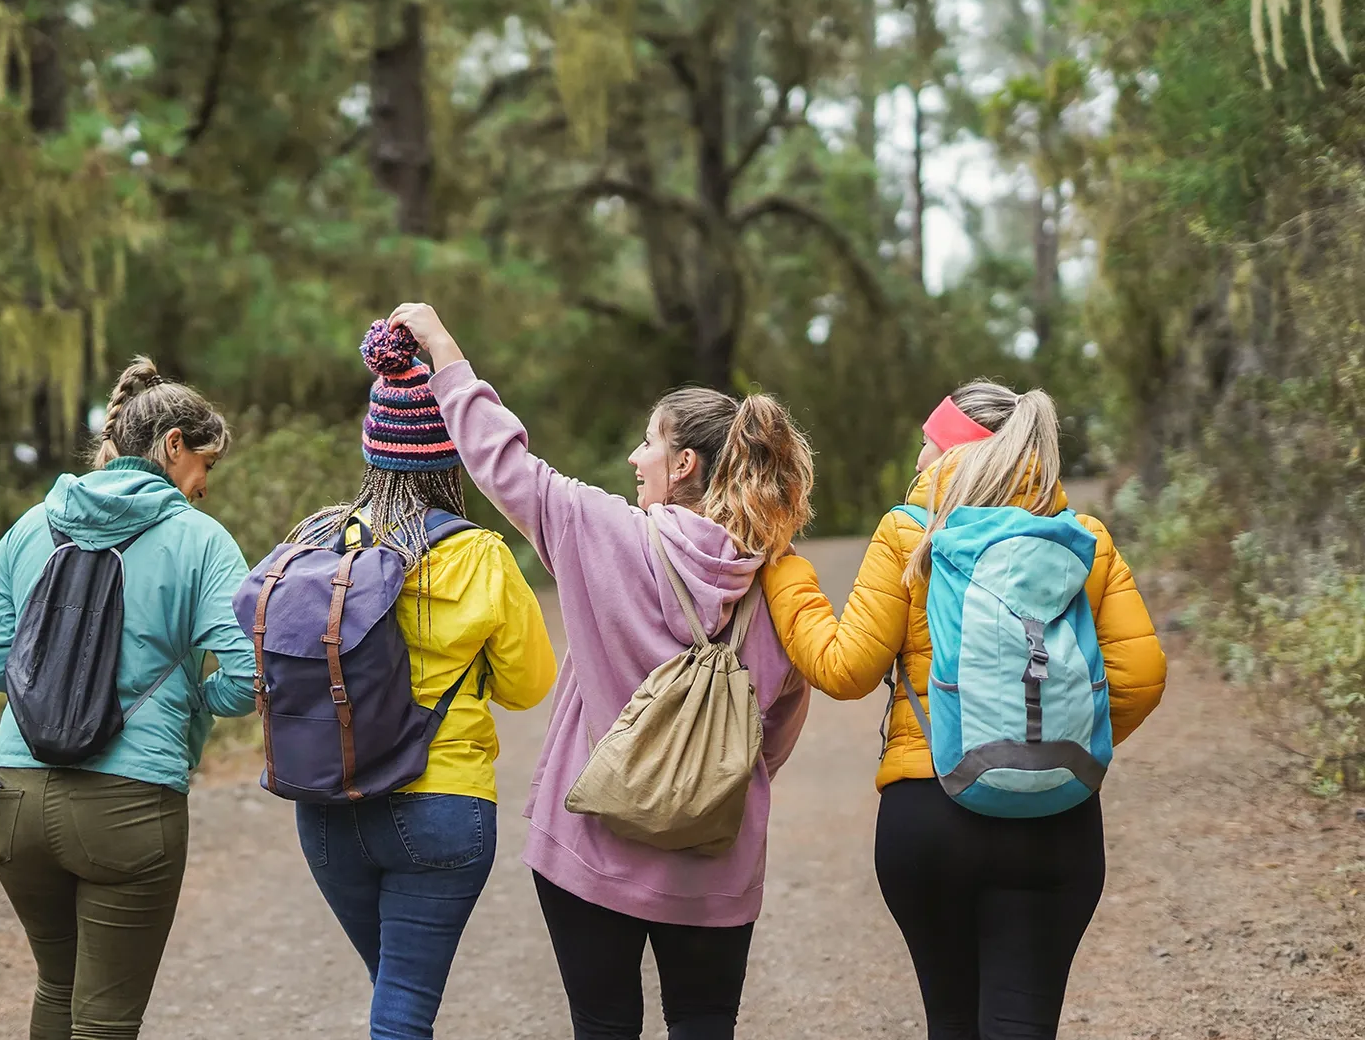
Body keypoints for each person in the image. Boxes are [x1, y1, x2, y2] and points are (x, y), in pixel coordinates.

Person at [387, 303, 814, 1040]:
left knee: (603, 1025)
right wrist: (711, 776)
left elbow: (500, 459)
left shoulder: (601, 532)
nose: (634, 458)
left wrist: (442, 345)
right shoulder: (776, 580)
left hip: (590, 848)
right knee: (706, 1023)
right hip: (716, 858)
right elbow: (778, 718)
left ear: (683, 464)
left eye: (649, 442)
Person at [759, 380, 1168, 1040]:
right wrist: (1057, 736)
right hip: (1055, 819)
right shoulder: (1082, 540)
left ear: (958, 453)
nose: (919, 462)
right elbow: (1142, 678)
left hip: (929, 813)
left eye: (928, 447)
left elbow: (844, 669)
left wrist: (783, 572)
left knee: (951, 1023)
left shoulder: (910, 534)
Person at [0, 357, 259, 1040]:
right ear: (173, 446)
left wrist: (49, 684)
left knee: (56, 987)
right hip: (130, 803)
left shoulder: (32, 525)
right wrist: (193, 700)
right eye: (205, 465)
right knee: (106, 1018)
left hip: (17, 799)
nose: (204, 487)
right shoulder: (199, 540)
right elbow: (249, 674)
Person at [282, 322, 557, 1040]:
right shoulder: (480, 555)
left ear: (373, 448)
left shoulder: (317, 540)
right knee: (404, 1005)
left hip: (328, 799)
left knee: (397, 996)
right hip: (442, 806)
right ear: (452, 458)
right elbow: (530, 685)